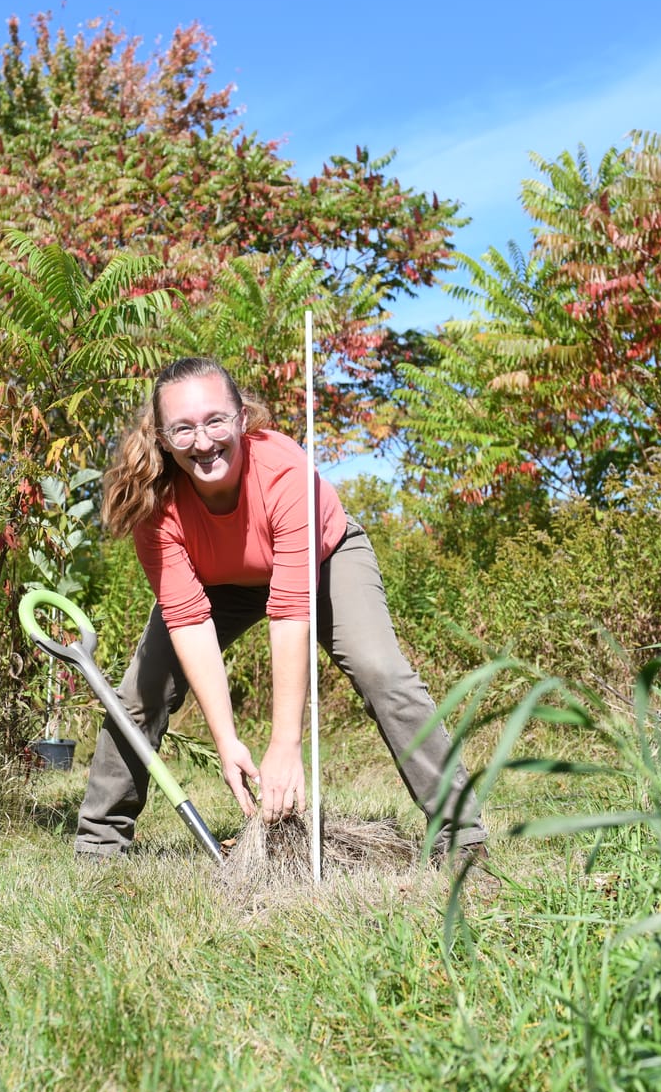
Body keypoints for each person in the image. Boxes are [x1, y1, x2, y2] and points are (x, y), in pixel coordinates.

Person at [74, 355, 485, 861]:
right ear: (161, 437)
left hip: (326, 559)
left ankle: (459, 831)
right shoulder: (153, 503)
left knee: (382, 671)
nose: (202, 442)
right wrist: (227, 742)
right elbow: (188, 621)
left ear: (242, 419)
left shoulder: (284, 469)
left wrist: (285, 744)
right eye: (182, 429)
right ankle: (100, 844)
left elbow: (291, 609)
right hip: (219, 581)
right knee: (140, 692)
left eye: (215, 421)